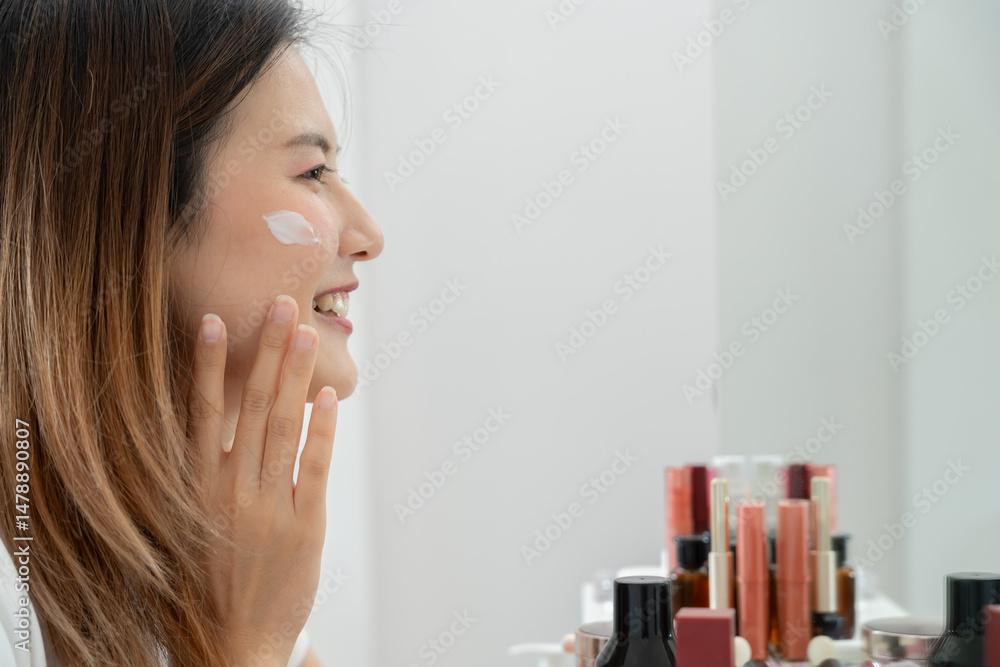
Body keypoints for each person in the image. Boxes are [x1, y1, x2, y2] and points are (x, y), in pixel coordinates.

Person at [0, 1, 384, 665]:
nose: (370, 235)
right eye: (313, 173)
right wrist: (247, 648)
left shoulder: (210, 545)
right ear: (136, 213)